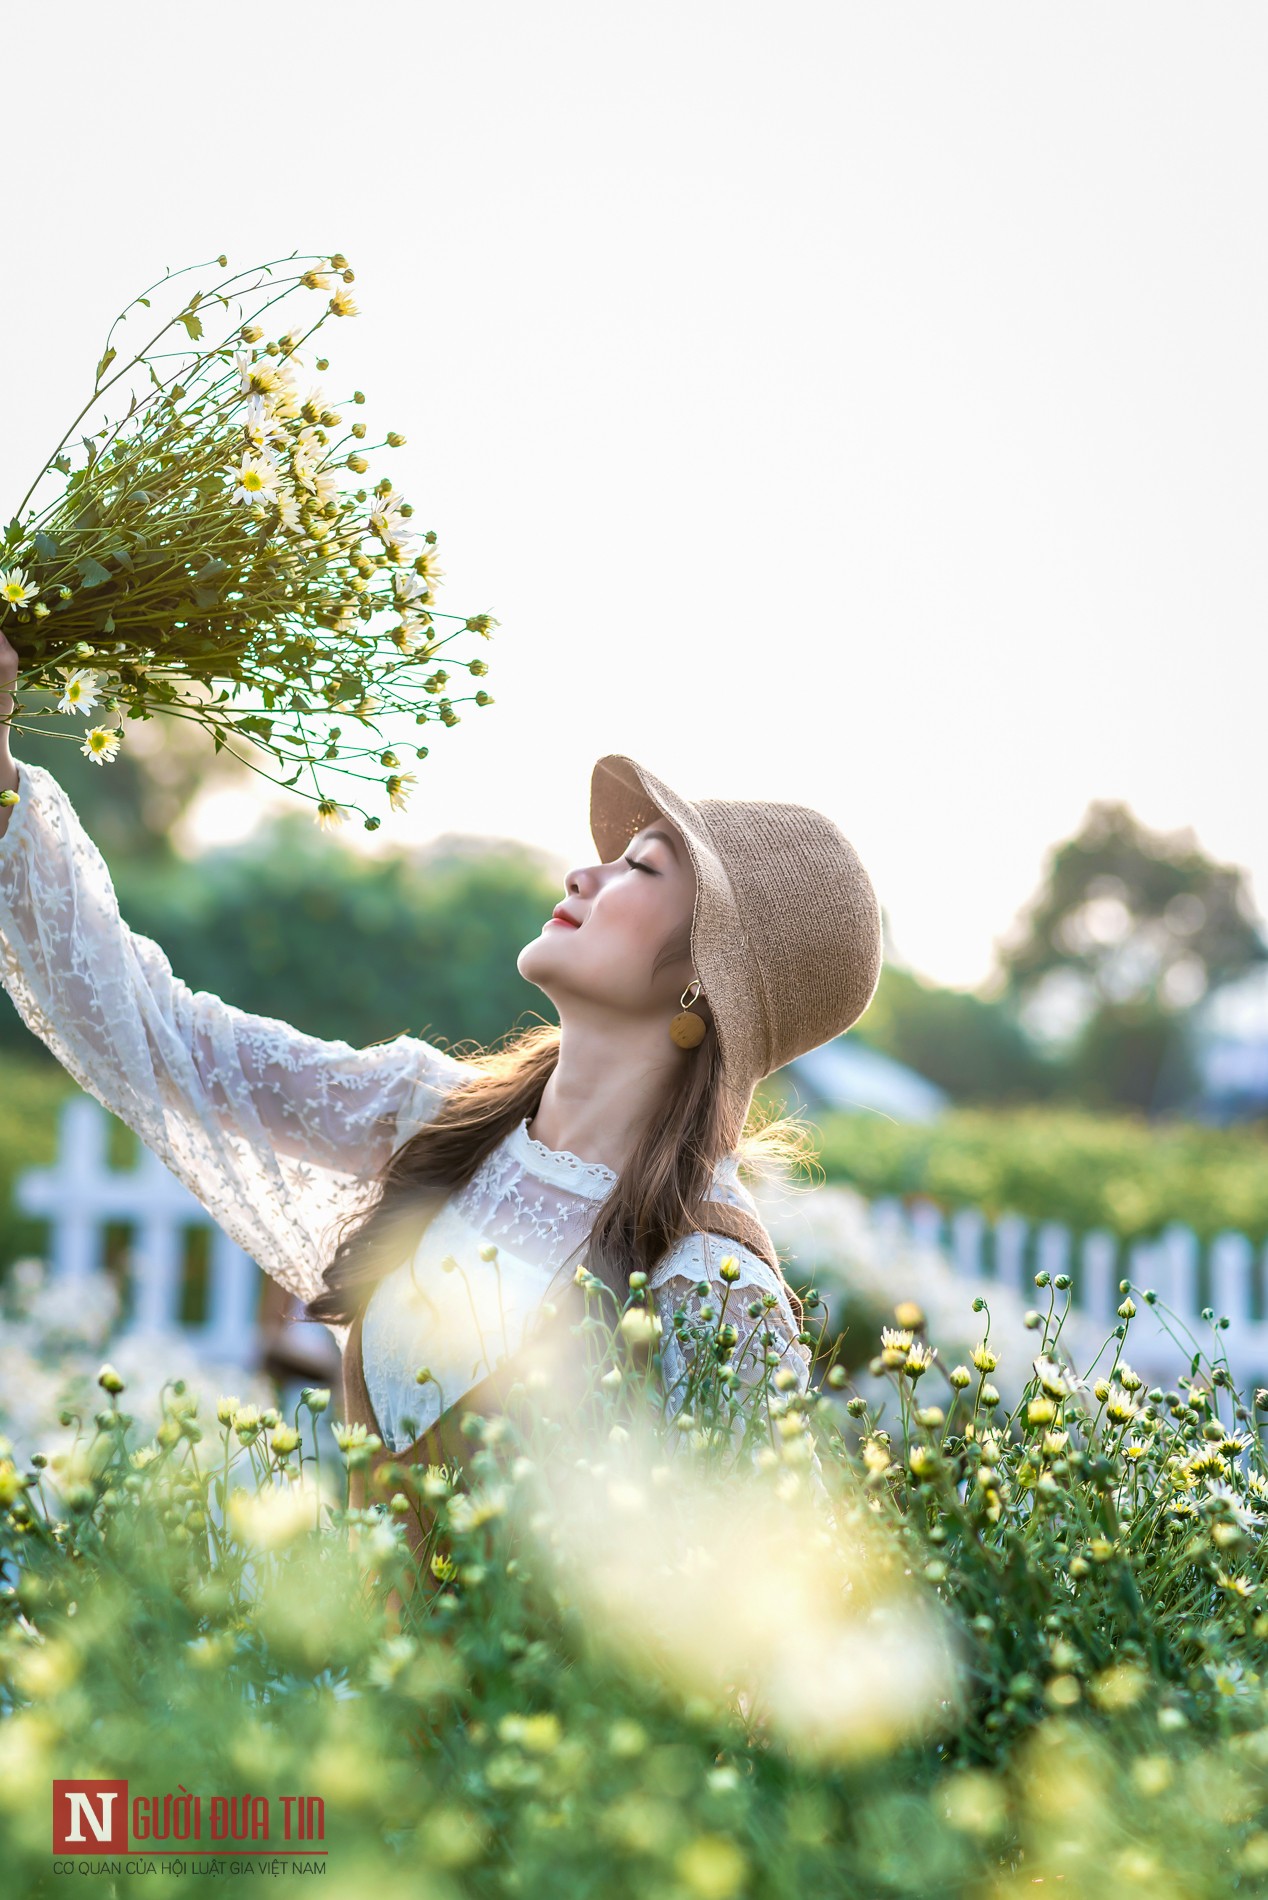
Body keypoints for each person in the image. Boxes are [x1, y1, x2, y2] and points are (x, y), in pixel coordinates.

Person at [0, 629, 884, 1561]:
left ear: (706, 978)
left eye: (643, 867)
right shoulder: (437, 1115)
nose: (585, 871)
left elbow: (749, 1617)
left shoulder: (710, 1279)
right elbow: (160, 1035)